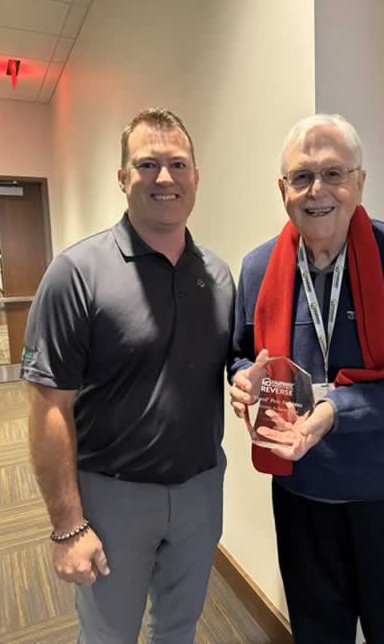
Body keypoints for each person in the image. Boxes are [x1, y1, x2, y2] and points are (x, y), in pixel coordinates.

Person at [229, 114, 384, 643]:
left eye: (334, 173)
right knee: (316, 635)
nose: (318, 191)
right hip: (301, 497)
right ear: (282, 188)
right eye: (302, 177)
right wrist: (244, 381)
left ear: (360, 182)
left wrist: (335, 411)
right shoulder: (258, 267)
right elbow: (241, 357)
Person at [21, 107, 235, 644]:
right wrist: (68, 526)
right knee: (109, 635)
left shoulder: (217, 274)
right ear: (122, 178)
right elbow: (49, 405)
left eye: (178, 164)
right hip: (112, 497)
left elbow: (233, 366)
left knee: (180, 628)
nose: (165, 178)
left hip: (201, 490)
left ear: (196, 177)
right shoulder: (76, 273)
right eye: (147, 164)